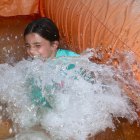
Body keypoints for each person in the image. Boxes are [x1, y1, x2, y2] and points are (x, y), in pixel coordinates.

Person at [24, 17, 79, 109]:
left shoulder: (70, 62)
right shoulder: (34, 65)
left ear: (54, 45)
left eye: (37, 46)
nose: (31, 51)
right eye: (27, 46)